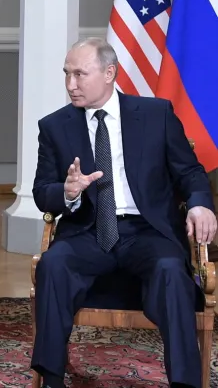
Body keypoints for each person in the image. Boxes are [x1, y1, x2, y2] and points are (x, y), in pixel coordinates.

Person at [30, 38, 217, 388]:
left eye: (80, 74)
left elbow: (189, 172)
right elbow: (43, 193)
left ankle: (185, 383)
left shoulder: (155, 115)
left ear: (109, 73)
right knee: (53, 264)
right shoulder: (54, 126)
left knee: (171, 270)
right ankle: (51, 380)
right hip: (88, 232)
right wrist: (67, 192)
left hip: (147, 232)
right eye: (67, 74)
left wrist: (200, 203)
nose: (71, 84)